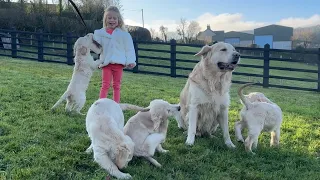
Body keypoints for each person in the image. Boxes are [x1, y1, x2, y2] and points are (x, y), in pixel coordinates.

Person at [93, 6, 136, 103]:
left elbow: (129, 49)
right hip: (106, 64)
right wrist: (94, 38)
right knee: (105, 85)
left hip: (119, 64)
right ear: (105, 19)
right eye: (109, 18)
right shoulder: (101, 33)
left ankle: (116, 106)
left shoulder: (124, 35)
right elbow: (97, 47)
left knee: (117, 86)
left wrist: (131, 61)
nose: (112, 20)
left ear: (118, 20)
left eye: (114, 18)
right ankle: (100, 104)